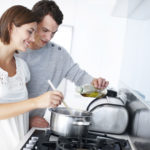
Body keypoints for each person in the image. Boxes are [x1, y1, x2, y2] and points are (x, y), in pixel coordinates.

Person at [17, 0, 109, 128]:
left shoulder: (59, 55)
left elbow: (80, 77)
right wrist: (26, 121)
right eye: (45, 30)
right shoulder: (15, 51)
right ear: (33, 23)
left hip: (34, 126)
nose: (48, 38)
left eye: (53, 33)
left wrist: (95, 84)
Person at [0, 5, 63, 150]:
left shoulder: (22, 67)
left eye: (34, 33)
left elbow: (17, 109)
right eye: (29, 32)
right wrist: (36, 102)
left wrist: (29, 120)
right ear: (11, 27)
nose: (33, 38)